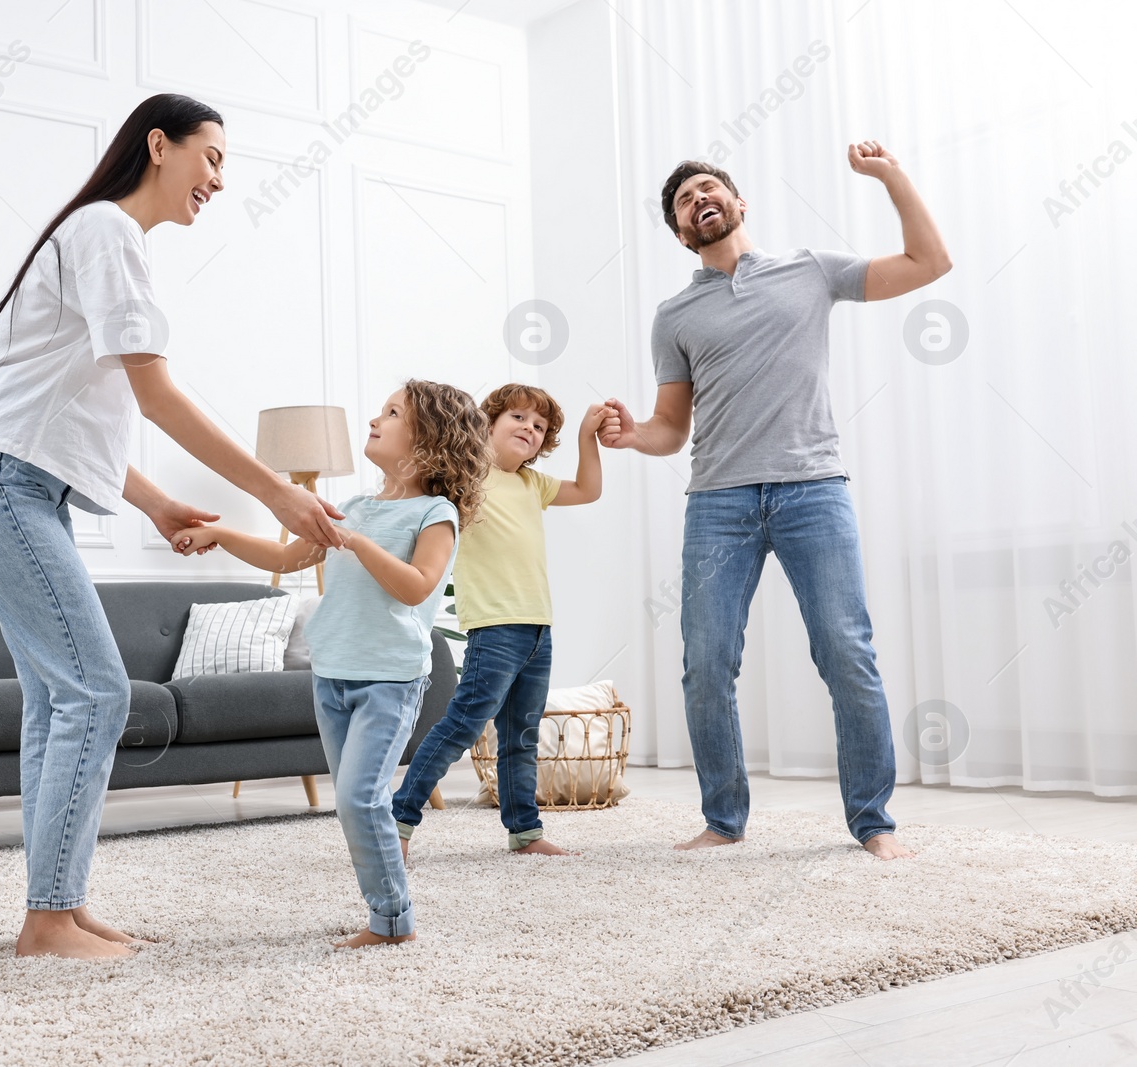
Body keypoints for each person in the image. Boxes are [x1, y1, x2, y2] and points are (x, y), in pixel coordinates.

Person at [0, 94, 345, 960]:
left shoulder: (99, 239)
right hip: (0, 484)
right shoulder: (107, 232)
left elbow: (58, 411)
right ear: (159, 145)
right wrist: (276, 492)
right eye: (214, 157)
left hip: (11, 483)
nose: (221, 181)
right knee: (97, 691)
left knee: (59, 696)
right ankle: (48, 919)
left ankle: (58, 909)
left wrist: (153, 501)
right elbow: (155, 395)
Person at [601, 141, 951, 860]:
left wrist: (890, 175)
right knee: (705, 661)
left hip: (812, 490)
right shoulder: (674, 316)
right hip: (717, 503)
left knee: (846, 652)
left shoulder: (810, 271)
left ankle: (873, 822)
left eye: (707, 188)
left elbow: (929, 263)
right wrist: (635, 433)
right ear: (680, 233)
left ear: (736, 202)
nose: (698, 200)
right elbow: (672, 428)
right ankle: (723, 819)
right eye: (683, 202)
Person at [174, 381, 488, 948]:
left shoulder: (435, 513)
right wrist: (218, 534)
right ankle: (384, 911)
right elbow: (282, 555)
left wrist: (357, 543)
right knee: (352, 805)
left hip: (390, 681)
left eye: (393, 414)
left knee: (359, 798)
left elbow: (416, 588)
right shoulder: (358, 508)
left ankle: (394, 922)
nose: (375, 418)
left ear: (431, 443)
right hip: (332, 676)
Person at [391, 384, 607, 858]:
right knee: (463, 725)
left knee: (521, 735)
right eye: (518, 418)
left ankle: (525, 832)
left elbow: (589, 490)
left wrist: (587, 437)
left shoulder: (533, 484)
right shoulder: (466, 476)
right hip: (494, 627)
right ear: (488, 423)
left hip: (537, 629)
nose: (529, 428)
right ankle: (398, 821)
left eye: (539, 427)